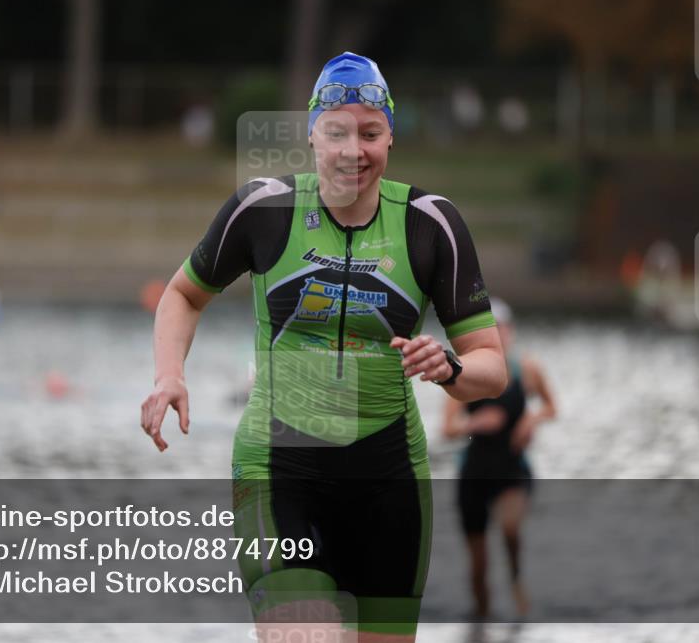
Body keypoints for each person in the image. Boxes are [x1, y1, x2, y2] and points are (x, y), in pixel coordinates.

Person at [141, 52, 507, 642]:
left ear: (391, 137)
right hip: (279, 464)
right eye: (336, 132)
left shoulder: (431, 225)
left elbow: (492, 368)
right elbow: (182, 295)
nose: (351, 152)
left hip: (390, 477)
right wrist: (169, 375)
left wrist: (450, 365)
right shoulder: (262, 210)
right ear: (312, 133)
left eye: (370, 133)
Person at [441, 298, 557, 620]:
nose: (499, 334)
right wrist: (476, 423)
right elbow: (447, 429)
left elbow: (552, 407)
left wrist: (529, 421)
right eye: (492, 328)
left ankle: (516, 578)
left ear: (511, 332)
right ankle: (482, 619)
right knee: (478, 565)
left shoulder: (527, 369)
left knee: (509, 528)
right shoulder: (462, 371)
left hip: (512, 469)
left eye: (503, 328)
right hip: (474, 472)